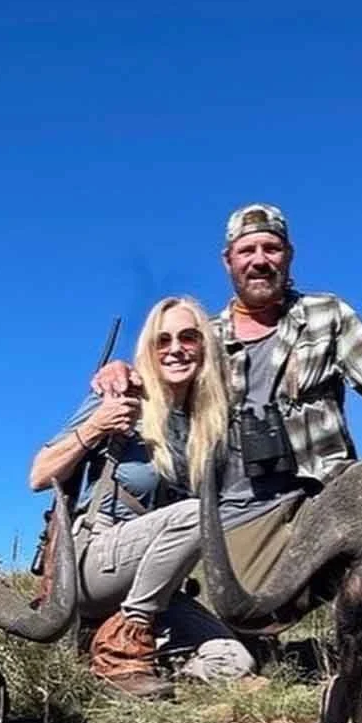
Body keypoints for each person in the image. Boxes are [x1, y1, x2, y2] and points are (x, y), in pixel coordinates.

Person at [93, 204, 362, 595]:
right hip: (240, 508)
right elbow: (162, 373)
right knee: (246, 608)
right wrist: (122, 370)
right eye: (247, 251)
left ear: (289, 255)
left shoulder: (326, 313)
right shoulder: (205, 337)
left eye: (271, 248)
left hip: (326, 494)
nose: (260, 261)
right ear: (228, 261)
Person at [30, 297, 256, 699]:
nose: (175, 349)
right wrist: (95, 427)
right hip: (91, 560)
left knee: (234, 659)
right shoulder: (121, 397)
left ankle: (142, 659)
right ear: (148, 351)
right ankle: (122, 649)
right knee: (195, 515)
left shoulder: (210, 425)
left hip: (154, 581)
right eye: (162, 340)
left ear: (204, 346)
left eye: (188, 337)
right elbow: (39, 474)